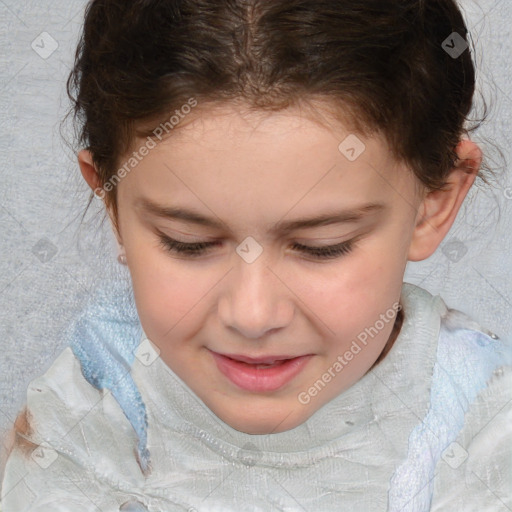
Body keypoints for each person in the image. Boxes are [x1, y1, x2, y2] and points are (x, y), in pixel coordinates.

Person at [1, 0, 511, 510]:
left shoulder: (484, 425)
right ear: (111, 201)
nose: (252, 315)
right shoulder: (97, 390)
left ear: (433, 202)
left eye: (321, 247)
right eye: (188, 242)